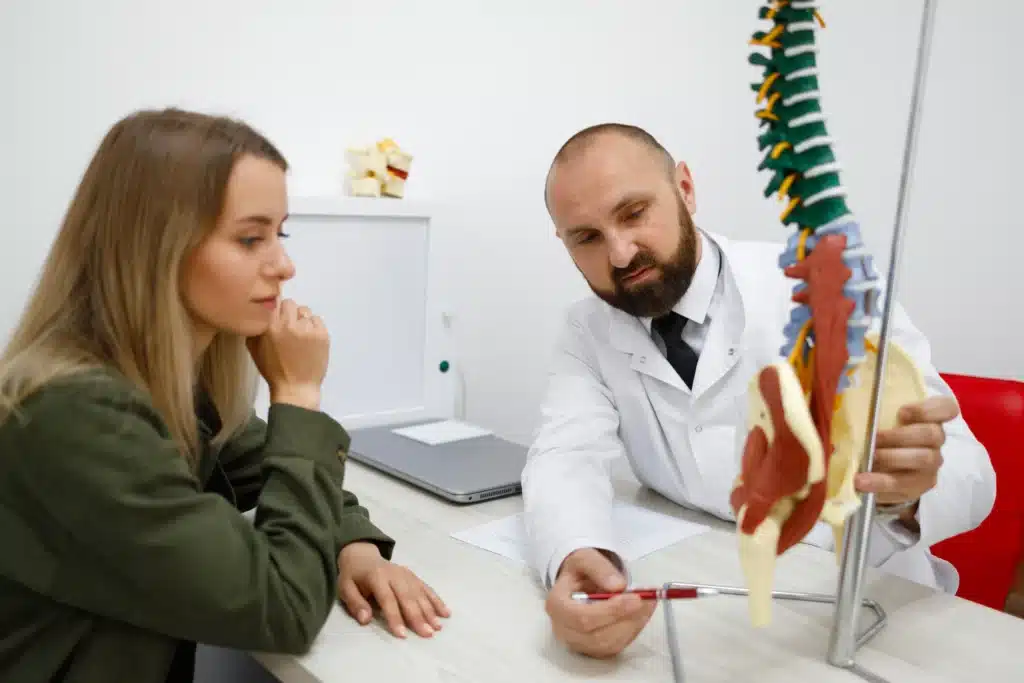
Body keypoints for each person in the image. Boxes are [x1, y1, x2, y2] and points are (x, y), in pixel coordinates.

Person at [0, 108, 449, 683]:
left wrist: (353, 546)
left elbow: (272, 467)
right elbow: (282, 608)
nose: (283, 265)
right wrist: (296, 393)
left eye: (279, 235)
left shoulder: (164, 383)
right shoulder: (75, 413)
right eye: (249, 238)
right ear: (153, 247)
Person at [522, 123, 996, 659]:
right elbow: (565, 454)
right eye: (586, 237)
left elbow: (971, 471)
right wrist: (575, 553)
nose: (622, 253)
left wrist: (908, 493)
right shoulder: (587, 329)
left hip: (864, 614)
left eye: (634, 213)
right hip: (716, 603)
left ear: (685, 189)